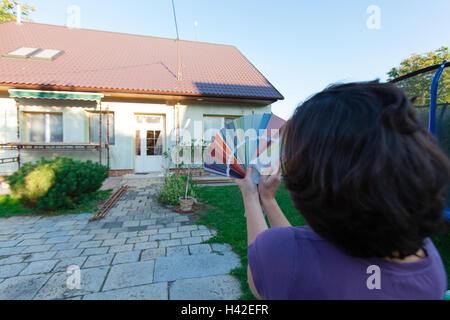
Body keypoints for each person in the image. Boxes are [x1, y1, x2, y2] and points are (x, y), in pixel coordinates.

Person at [236, 81, 449, 300]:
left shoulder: (278, 254)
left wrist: (251, 196)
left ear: (314, 184)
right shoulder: (428, 261)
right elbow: (303, 249)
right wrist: (268, 199)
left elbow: (264, 271)